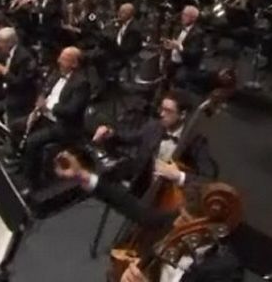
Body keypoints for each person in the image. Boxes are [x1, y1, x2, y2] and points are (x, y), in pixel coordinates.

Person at [53, 151, 243, 282]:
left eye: (185, 220)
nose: (177, 223)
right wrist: (83, 176)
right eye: (180, 215)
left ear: (210, 229)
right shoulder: (177, 224)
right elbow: (136, 209)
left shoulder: (224, 270)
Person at [91, 89, 217, 196]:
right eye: (161, 108)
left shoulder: (195, 141)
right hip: (143, 184)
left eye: (168, 111)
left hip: (169, 195)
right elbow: (128, 138)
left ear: (182, 114)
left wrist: (179, 176)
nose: (161, 114)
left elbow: (209, 179)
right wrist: (110, 133)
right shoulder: (154, 126)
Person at [13, 46, 89, 190]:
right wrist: (36, 111)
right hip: (45, 116)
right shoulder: (56, 74)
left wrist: (48, 108)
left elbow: (72, 111)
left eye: (64, 59)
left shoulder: (82, 83)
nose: (59, 61)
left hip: (64, 126)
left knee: (32, 142)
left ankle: (34, 183)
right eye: (60, 57)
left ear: (75, 64)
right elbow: (45, 92)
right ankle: (23, 161)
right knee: (16, 126)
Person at [162, 5, 205, 89]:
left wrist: (180, 48)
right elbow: (170, 37)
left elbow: (193, 54)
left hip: (185, 64)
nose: (182, 17)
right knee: (163, 76)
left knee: (178, 80)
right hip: (173, 59)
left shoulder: (198, 34)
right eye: (183, 14)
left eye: (185, 15)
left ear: (193, 19)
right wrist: (168, 44)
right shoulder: (179, 27)